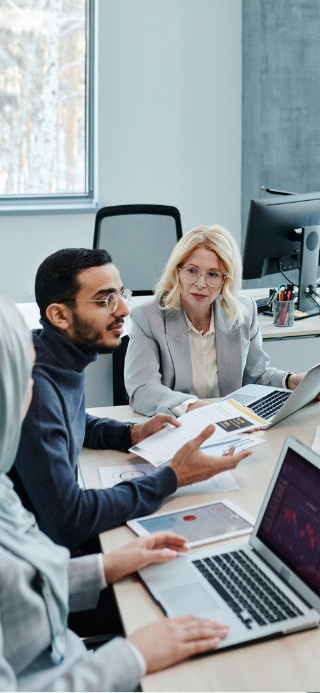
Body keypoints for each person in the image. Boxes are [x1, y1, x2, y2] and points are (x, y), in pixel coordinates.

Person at [0, 295, 230, 691]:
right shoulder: (44, 389)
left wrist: (106, 567)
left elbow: (21, 590)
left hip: (69, 651)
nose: (122, 308)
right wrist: (133, 654)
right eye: (22, 377)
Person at [10, 248, 251, 554]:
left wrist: (130, 434)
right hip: (41, 561)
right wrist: (171, 478)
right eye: (104, 300)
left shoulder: (55, 353)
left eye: (121, 293)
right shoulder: (38, 387)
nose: (123, 309)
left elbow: (71, 420)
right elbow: (70, 519)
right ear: (59, 315)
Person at [125, 225, 320, 416]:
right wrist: (196, 408)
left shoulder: (244, 312)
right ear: (177, 271)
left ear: (226, 280)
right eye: (192, 271)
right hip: (175, 426)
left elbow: (255, 376)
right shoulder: (148, 317)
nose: (200, 284)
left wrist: (291, 381)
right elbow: (143, 389)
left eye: (213, 274)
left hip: (229, 426)